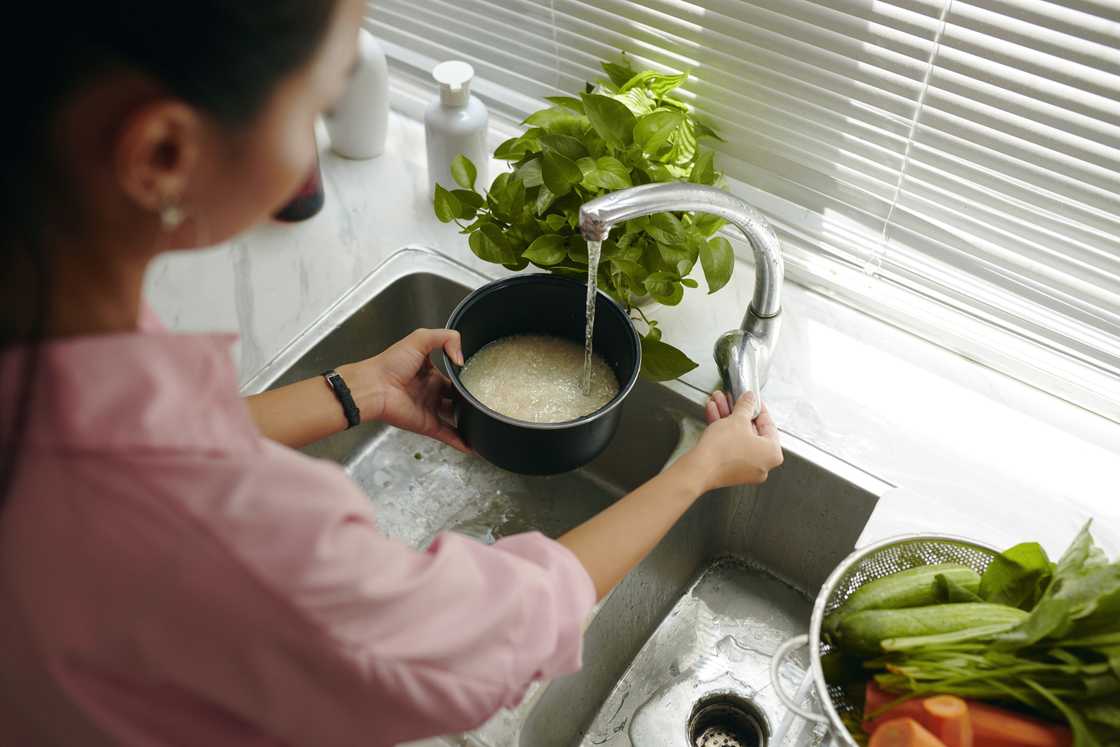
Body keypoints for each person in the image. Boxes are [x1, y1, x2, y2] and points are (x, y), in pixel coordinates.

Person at [0, 2, 784, 745]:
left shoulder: (50, 320)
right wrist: (698, 469)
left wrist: (351, 391)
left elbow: (126, 433)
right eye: (319, 100)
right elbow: (494, 635)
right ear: (163, 153)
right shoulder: (226, 531)